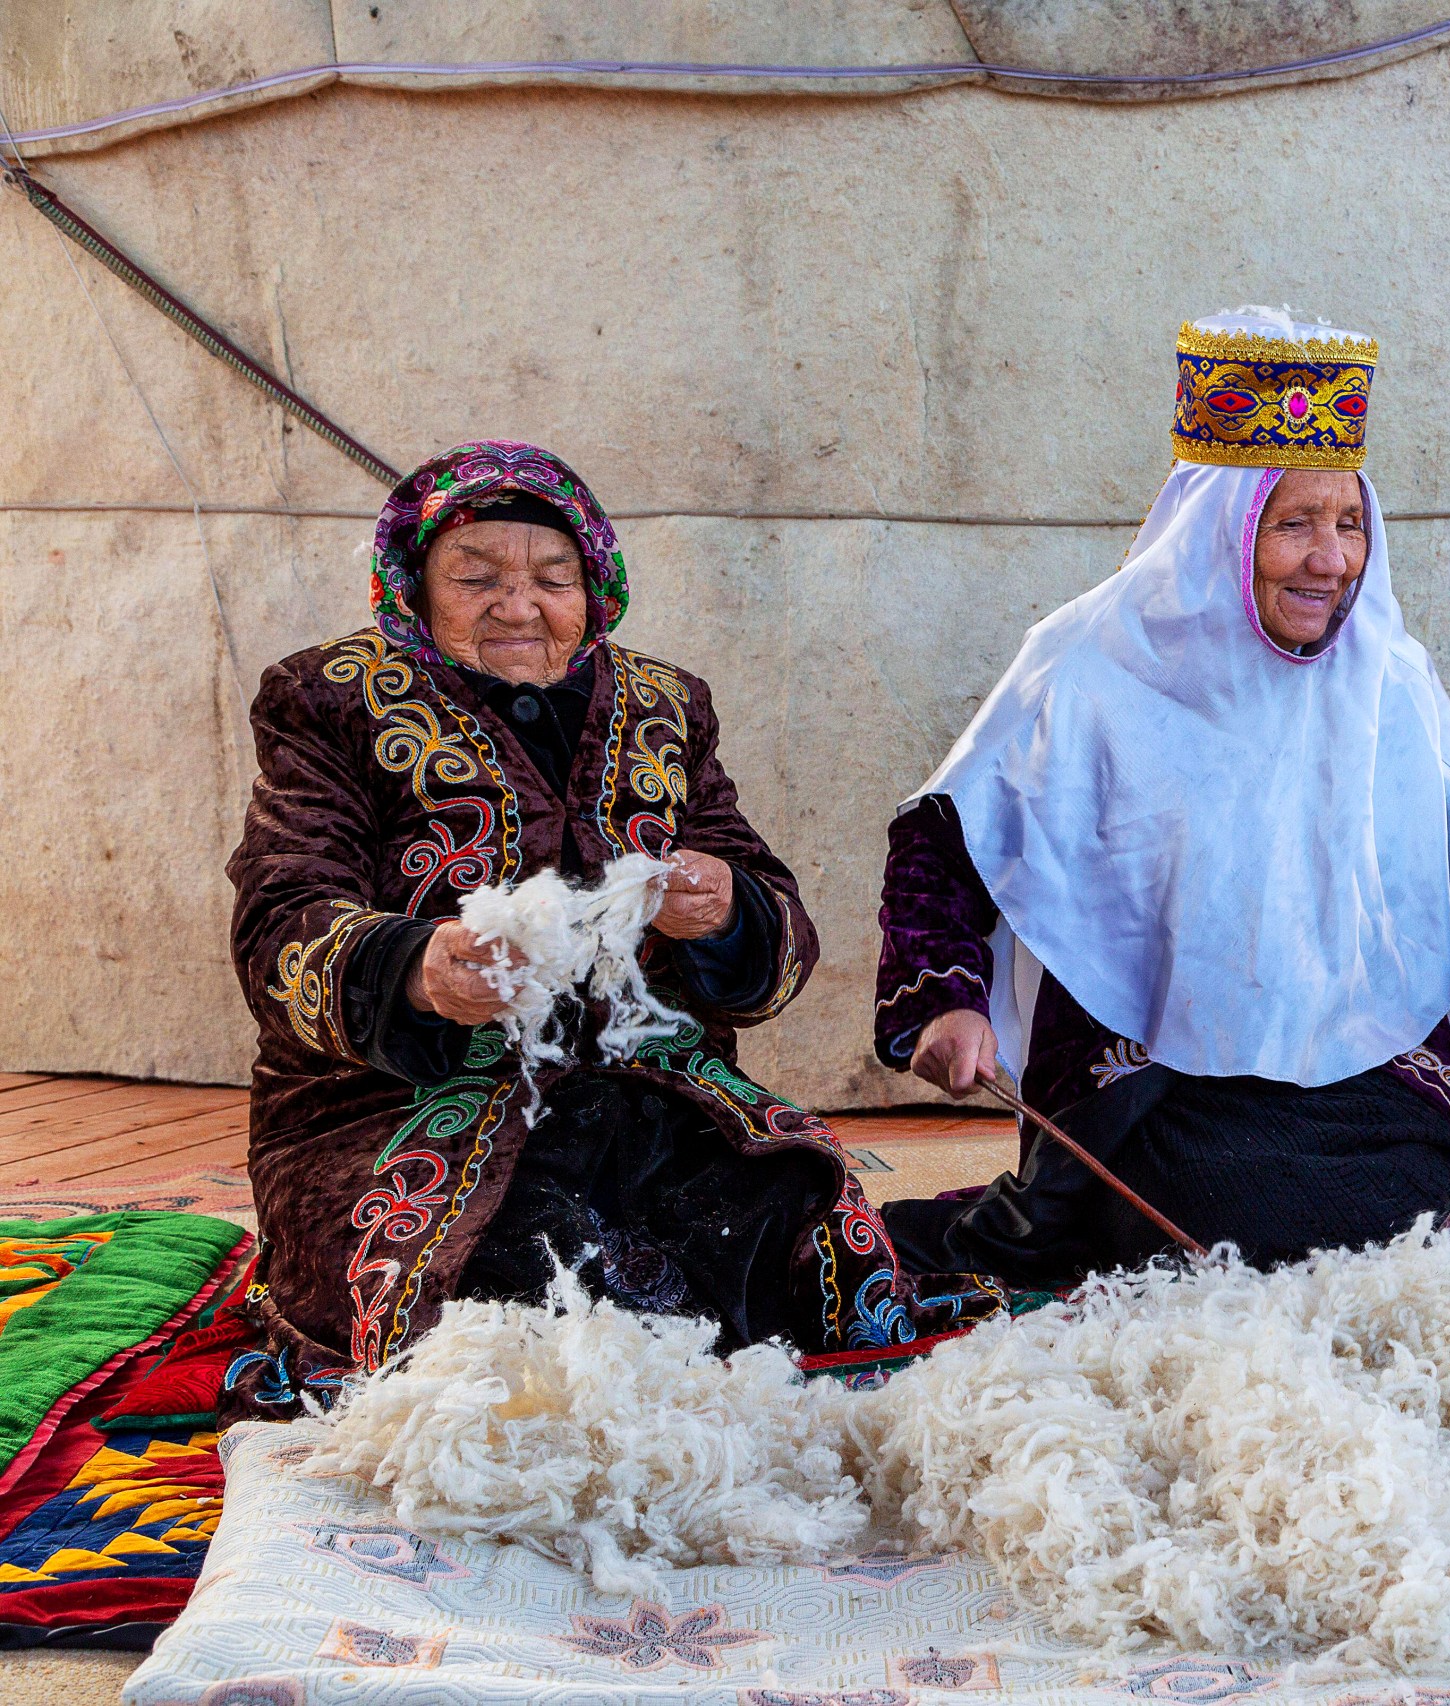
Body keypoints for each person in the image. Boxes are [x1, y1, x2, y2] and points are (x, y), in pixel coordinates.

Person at [874, 308, 1450, 1288]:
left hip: (1364, 1048)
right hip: (1159, 1070)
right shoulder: (1083, 665)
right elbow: (949, 837)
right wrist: (941, 1001)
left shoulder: (1383, 672)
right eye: (1294, 525)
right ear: (1217, 534)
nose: (1333, 558)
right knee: (1232, 1249)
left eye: (1350, 521)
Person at [226, 440, 1001, 1409]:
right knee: (502, 1286)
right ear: (414, 584)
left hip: (648, 1081)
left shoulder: (665, 704)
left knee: (803, 1225)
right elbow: (282, 907)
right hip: (403, 1095)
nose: (518, 606)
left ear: (596, 585)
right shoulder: (327, 698)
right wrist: (419, 966)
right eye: (474, 578)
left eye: (554, 578)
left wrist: (726, 907)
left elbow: (765, 901)